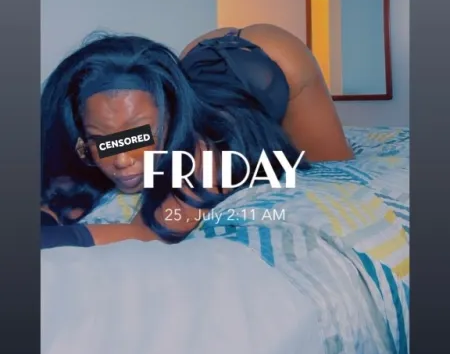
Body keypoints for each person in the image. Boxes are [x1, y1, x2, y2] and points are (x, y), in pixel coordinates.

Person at [41, 24, 353, 249]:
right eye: (102, 139)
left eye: (139, 135)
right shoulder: (80, 138)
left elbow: (149, 233)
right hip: (197, 55)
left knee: (334, 167)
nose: (122, 161)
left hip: (278, 60)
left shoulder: (205, 153)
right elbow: (56, 199)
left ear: (172, 118)